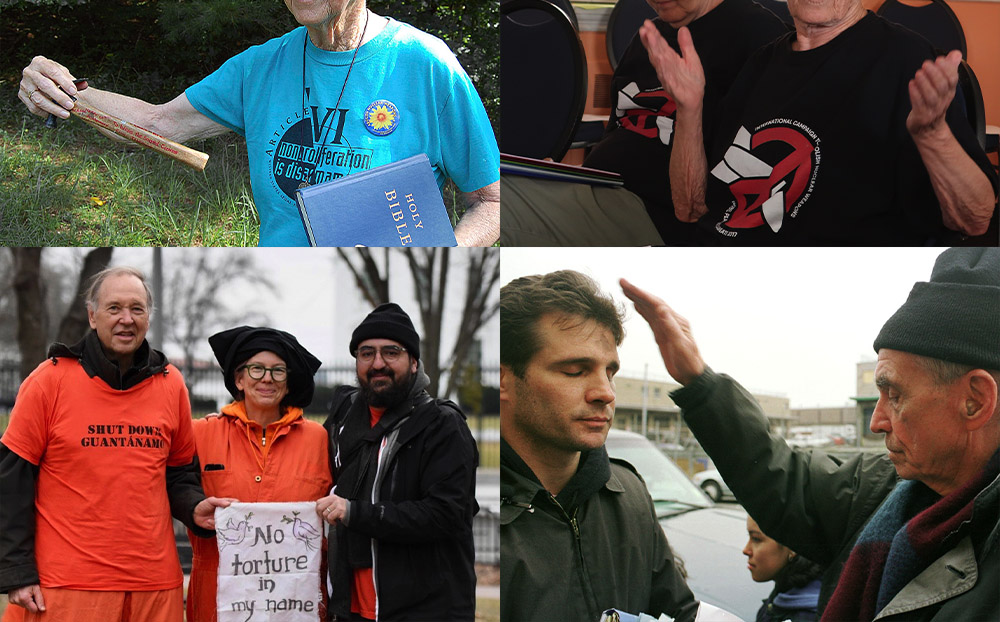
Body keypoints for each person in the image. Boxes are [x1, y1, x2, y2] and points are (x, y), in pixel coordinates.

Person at [17, 0, 500, 247]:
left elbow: (494, 203)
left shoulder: (424, 65)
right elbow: (157, 123)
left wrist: (440, 257)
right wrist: (66, 92)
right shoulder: (259, 67)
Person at [621, 246, 1000, 620]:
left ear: (975, 400)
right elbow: (781, 478)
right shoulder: (880, 490)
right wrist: (698, 381)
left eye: (895, 395)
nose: (877, 421)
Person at [641, 0, 997, 245]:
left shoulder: (910, 64)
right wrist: (689, 109)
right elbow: (692, 209)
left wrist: (933, 135)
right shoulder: (759, 65)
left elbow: (976, 218)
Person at [500, 0, 787, 246]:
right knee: (503, 179)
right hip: (599, 192)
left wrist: (690, 107)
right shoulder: (649, 35)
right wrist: (571, 178)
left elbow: (747, 189)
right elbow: (620, 132)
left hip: (662, 221)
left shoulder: (762, 41)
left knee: (500, 205)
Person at [0, 267, 230, 622]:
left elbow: (178, 473)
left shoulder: (171, 385)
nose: (127, 319)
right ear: (92, 316)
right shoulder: (49, 380)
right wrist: (17, 572)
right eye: (114, 308)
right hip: (67, 587)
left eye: (137, 309)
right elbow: (11, 483)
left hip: (155, 586)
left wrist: (194, 507)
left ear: (148, 318)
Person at [500, 270, 699, 622]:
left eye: (610, 372)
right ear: (501, 378)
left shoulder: (629, 494)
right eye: (575, 371)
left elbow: (679, 612)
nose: (605, 393)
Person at [316, 303, 478, 621]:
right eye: (366, 353)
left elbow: (447, 515)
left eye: (391, 352)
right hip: (351, 609)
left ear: (414, 362)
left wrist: (355, 512)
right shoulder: (344, 418)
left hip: (425, 610)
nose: (378, 363)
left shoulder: (441, 424)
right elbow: (303, 459)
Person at [185, 326, 332, 622]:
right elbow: (175, 487)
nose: (267, 378)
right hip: (216, 605)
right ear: (238, 379)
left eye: (278, 371)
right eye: (256, 369)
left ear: (288, 384)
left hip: (296, 606)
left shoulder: (319, 439)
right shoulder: (201, 433)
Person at [744, 516, 823, 622]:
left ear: (793, 547)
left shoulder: (807, 614)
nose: (746, 550)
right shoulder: (785, 593)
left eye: (756, 539)